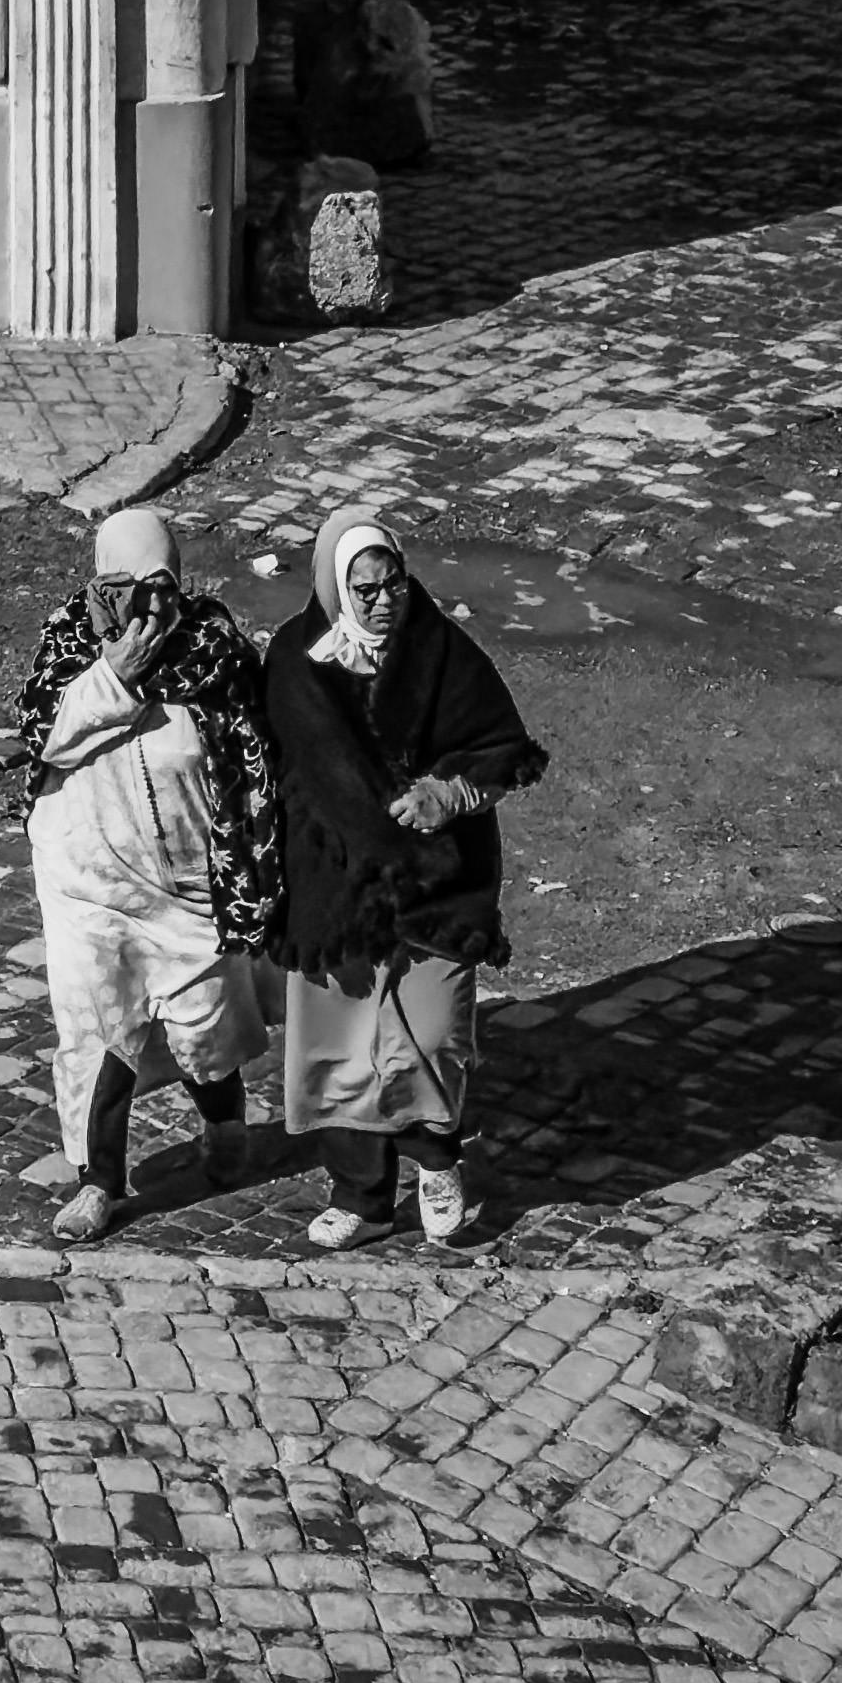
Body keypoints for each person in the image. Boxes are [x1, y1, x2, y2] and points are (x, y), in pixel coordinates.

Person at [0, 502, 284, 1246]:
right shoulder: (69, 647)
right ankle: (99, 1181)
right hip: (88, 882)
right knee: (99, 1035)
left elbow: (257, 768)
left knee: (204, 1025)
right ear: (99, 584)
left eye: (158, 585)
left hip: (189, 883)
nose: (143, 604)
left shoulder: (216, 654)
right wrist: (114, 678)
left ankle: (227, 1131)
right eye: (123, 585)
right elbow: (45, 737)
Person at [259, 500, 545, 1250]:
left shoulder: (444, 652)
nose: (385, 603)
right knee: (345, 1044)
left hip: (437, 880)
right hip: (338, 883)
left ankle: (438, 1162)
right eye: (366, 591)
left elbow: (498, 750)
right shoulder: (295, 661)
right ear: (333, 590)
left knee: (435, 1029)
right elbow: (283, 770)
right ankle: (362, 1196)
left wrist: (447, 794)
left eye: (395, 585)